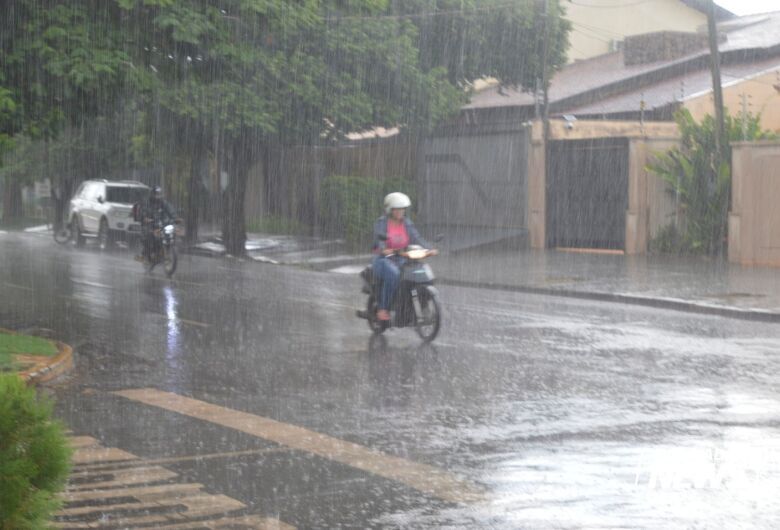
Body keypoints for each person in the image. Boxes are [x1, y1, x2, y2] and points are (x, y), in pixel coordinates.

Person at [371, 192, 437, 321]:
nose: (400, 212)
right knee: (394, 275)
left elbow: (417, 238)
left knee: (420, 272)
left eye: (402, 209)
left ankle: (420, 305)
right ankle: (383, 309)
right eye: (397, 209)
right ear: (390, 209)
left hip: (401, 257)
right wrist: (384, 249)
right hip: (383, 259)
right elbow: (378, 241)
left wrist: (430, 248)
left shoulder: (406, 223)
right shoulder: (382, 223)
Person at [137, 186, 177, 263]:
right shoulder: (147, 203)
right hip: (149, 225)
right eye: (156, 194)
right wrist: (145, 218)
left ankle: (165, 250)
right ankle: (145, 254)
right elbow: (143, 212)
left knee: (170, 232)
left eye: (159, 194)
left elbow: (170, 209)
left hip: (161, 224)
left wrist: (175, 218)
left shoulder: (163, 202)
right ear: (152, 194)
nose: (158, 196)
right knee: (150, 236)